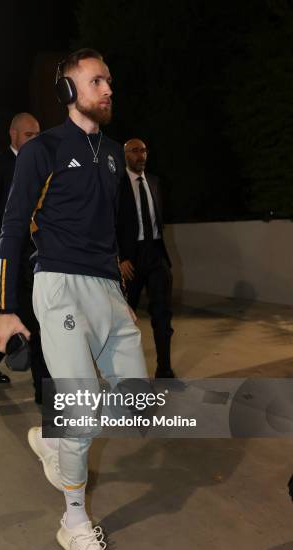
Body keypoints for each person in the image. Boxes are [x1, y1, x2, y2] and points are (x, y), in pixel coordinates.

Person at [0, 49, 148, 550]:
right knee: (82, 409)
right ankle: (74, 522)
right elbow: (13, 227)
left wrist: (117, 292)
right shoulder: (46, 149)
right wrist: (4, 309)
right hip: (56, 285)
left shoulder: (109, 153)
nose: (108, 89)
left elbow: (107, 228)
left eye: (110, 79)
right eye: (97, 80)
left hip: (104, 287)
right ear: (67, 91)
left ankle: (51, 437)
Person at [0, 113, 49, 404]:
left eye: (38, 134)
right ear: (13, 134)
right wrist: (17, 217)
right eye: (30, 135)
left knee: (30, 319)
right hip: (9, 259)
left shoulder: (43, 164)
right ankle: (44, 392)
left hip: (38, 255)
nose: (36, 140)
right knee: (33, 323)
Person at [117, 138, 174, 378]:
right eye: (135, 151)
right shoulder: (117, 184)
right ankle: (127, 374)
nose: (141, 155)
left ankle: (164, 369)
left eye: (144, 151)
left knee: (162, 315)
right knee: (124, 318)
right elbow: (110, 222)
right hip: (130, 259)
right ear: (125, 155)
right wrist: (119, 257)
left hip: (156, 254)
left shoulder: (154, 182)